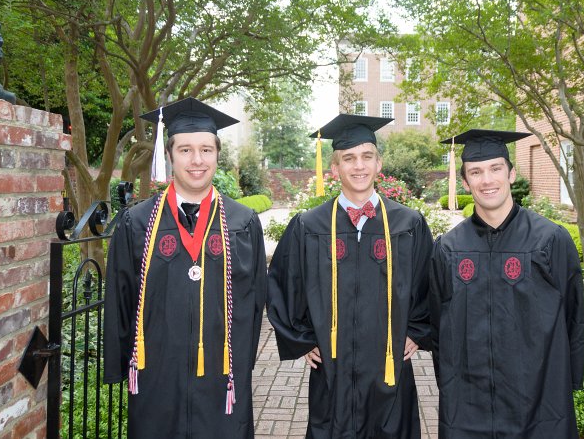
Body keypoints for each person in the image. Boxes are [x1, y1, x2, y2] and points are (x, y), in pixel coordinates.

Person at [104, 98, 267, 439]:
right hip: (158, 378)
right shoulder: (137, 222)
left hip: (222, 379)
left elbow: (256, 301)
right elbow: (119, 298)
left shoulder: (242, 222)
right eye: (186, 150)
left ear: (217, 154)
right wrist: (121, 366)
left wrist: (241, 363)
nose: (197, 160)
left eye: (206, 150)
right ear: (169, 155)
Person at [266, 113, 433, 439]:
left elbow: (430, 283)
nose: (359, 166)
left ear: (378, 163)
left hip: (388, 366)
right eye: (349, 158)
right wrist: (301, 340)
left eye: (366, 157)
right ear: (335, 168)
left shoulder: (407, 224)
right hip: (333, 369)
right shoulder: (309, 226)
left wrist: (417, 331)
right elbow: (281, 282)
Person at [430, 129, 584, 438]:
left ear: (511, 174)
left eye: (495, 168)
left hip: (539, 400)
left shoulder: (550, 239)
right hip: (468, 401)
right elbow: (438, 326)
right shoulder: (448, 248)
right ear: (465, 182)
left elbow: (573, 316)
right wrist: (448, 379)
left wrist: (567, 381)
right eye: (476, 171)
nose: (487, 180)